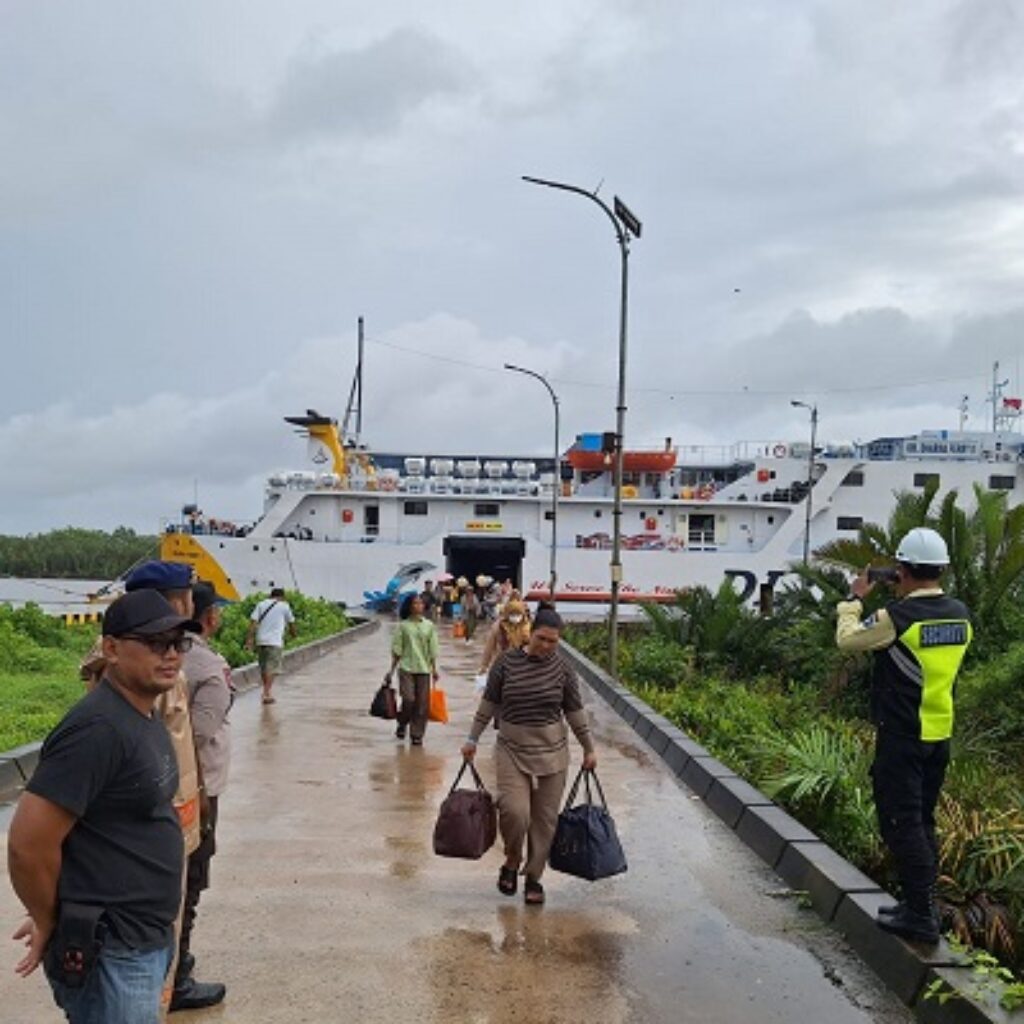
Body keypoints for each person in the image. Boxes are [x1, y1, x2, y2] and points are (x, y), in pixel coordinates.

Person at [7, 590, 190, 1024]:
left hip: (143, 938)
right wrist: (48, 917)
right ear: (111, 649)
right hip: (114, 950)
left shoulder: (142, 713)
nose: (170, 655)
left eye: (177, 643)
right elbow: (27, 846)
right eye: (154, 643)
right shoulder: (97, 730)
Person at [836, 527, 972, 944]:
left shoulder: (898, 618)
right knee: (921, 821)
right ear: (942, 569)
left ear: (904, 570)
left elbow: (847, 641)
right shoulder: (960, 614)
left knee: (902, 824)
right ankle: (919, 906)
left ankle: (921, 917)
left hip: (903, 735)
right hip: (938, 733)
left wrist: (856, 598)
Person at [123, 560, 225, 1013]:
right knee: (166, 902)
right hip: (161, 817)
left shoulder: (147, 659)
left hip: (169, 813)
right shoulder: (153, 670)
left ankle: (165, 984)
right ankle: (169, 984)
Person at [461, 603, 597, 906]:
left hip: (553, 753)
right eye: (542, 639)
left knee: (545, 821)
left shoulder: (563, 669)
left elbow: (574, 713)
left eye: (553, 642)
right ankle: (512, 860)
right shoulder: (506, 664)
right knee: (514, 812)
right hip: (511, 748)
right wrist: (472, 739)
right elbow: (488, 705)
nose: (547, 646)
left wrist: (589, 748)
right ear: (530, 633)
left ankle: (534, 877)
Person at [173, 581, 234, 1010]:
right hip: (196, 792)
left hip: (165, 790)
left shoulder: (165, 654)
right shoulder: (206, 666)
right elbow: (197, 735)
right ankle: (176, 979)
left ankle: (175, 959)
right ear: (208, 615)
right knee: (189, 883)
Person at [387, 594, 440, 747]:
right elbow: (397, 650)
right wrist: (390, 671)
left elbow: (433, 650)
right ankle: (402, 722)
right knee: (409, 700)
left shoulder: (429, 626)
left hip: (424, 669)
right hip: (406, 668)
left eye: (421, 603)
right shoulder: (403, 626)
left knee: (422, 704)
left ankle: (417, 735)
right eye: (415, 603)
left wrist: (434, 670)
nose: (418, 606)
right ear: (409, 606)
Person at [245, 587, 297, 705]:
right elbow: (291, 623)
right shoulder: (284, 606)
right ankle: (266, 693)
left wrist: (249, 640)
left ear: (271, 595)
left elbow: (253, 623)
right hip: (275, 641)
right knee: (272, 668)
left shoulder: (261, 604)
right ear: (282, 596)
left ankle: (266, 691)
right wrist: (294, 634)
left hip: (261, 640)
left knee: (264, 667)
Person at [478, 599, 531, 676]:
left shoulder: (528, 627)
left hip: (522, 667)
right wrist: (484, 666)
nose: (516, 617)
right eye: (512, 614)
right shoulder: (498, 627)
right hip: (502, 665)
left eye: (518, 614)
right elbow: (489, 648)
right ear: (507, 614)